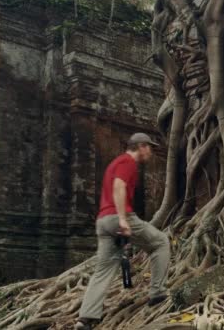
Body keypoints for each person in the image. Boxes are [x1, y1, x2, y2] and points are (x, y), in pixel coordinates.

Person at [75, 133, 171, 330]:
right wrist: (122, 219)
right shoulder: (128, 162)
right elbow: (119, 187)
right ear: (141, 146)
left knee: (104, 269)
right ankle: (158, 293)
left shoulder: (114, 163)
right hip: (118, 217)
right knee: (161, 242)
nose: (150, 152)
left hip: (102, 221)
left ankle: (86, 318)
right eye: (150, 148)